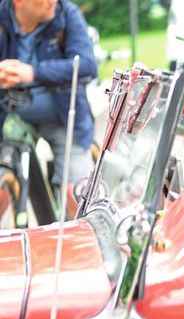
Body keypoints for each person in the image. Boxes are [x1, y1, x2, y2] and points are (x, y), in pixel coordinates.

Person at [0, 0, 97, 217]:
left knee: (77, 197)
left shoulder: (66, 13)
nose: (53, 1)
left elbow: (87, 65)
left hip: (63, 119)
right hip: (11, 119)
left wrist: (32, 73)